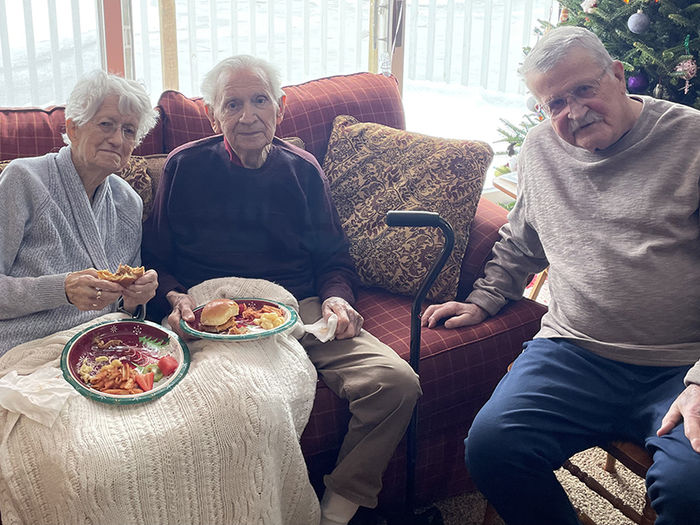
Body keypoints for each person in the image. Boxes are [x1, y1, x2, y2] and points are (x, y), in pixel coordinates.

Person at [421, 26, 700, 525]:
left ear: (617, 75)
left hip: (684, 363)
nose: (573, 112)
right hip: (573, 350)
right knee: (491, 447)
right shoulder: (540, 150)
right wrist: (484, 299)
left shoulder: (692, 140)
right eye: (554, 104)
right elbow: (524, 236)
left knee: (690, 492)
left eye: (584, 90)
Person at [141, 55, 422, 525]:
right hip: (211, 313)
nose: (247, 115)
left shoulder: (303, 170)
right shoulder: (184, 167)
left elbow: (333, 258)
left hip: (297, 308)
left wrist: (336, 298)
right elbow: (155, 260)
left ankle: (337, 509)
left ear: (281, 107)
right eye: (232, 104)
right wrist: (173, 296)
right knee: (239, 410)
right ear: (213, 114)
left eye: (259, 100)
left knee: (396, 384)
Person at [0, 70, 159, 355]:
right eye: (106, 124)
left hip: (104, 346)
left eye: (128, 130)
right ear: (73, 129)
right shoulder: (23, 180)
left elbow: (124, 306)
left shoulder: (128, 202)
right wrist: (61, 289)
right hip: (27, 348)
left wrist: (136, 298)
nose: (117, 139)